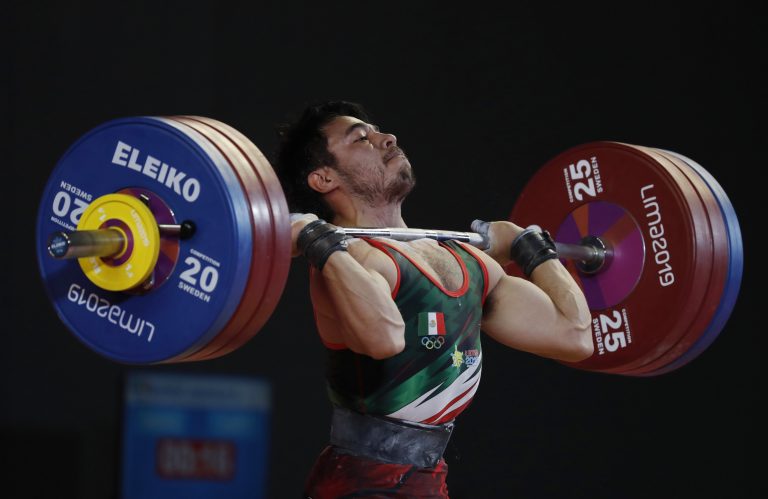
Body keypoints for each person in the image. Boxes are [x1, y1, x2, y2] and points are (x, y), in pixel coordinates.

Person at [274, 100, 593, 498]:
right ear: (323, 179)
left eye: (379, 131)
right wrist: (318, 241)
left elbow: (575, 336)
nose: (387, 138)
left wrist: (532, 249)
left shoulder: (468, 261)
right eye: (361, 138)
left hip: (426, 480)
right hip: (359, 484)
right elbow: (385, 338)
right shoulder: (347, 260)